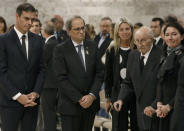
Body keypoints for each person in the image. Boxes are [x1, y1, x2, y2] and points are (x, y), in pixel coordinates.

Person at [53, 15, 103, 131]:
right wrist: (79, 98)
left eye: (83, 28)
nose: (81, 32)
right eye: (77, 29)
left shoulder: (92, 46)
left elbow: (100, 73)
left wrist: (91, 95)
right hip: (70, 106)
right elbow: (61, 78)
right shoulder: (60, 49)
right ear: (69, 31)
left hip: (90, 106)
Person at [0, 3, 45, 131]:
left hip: (32, 102)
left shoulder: (38, 40)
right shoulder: (3, 40)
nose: (30, 23)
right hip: (10, 102)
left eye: (32, 19)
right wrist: (18, 96)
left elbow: (42, 69)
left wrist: (35, 93)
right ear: (17, 16)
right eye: (26, 18)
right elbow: (1, 73)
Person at [113, 26, 162, 131]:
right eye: (137, 41)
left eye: (143, 41)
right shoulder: (133, 55)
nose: (139, 44)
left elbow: (164, 87)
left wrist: (154, 106)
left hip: (157, 110)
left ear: (152, 40)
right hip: (139, 111)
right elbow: (128, 82)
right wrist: (121, 99)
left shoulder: (161, 55)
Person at [104, 17, 138, 131]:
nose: (125, 32)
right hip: (117, 93)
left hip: (135, 93)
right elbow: (108, 75)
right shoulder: (112, 49)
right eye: (121, 29)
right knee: (119, 126)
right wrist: (108, 99)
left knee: (136, 124)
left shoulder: (137, 48)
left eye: (127, 29)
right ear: (117, 32)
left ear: (132, 30)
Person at [156, 22, 184, 131]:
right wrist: (159, 103)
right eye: (167, 35)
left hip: (177, 107)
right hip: (163, 108)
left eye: (174, 34)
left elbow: (181, 87)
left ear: (182, 36)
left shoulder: (182, 57)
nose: (170, 38)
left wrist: (168, 106)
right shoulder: (164, 55)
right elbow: (160, 81)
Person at [41, 21, 59, 131]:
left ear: (44, 31)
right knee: (51, 112)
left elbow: (41, 62)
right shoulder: (57, 43)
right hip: (56, 84)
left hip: (48, 85)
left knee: (48, 113)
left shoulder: (48, 45)